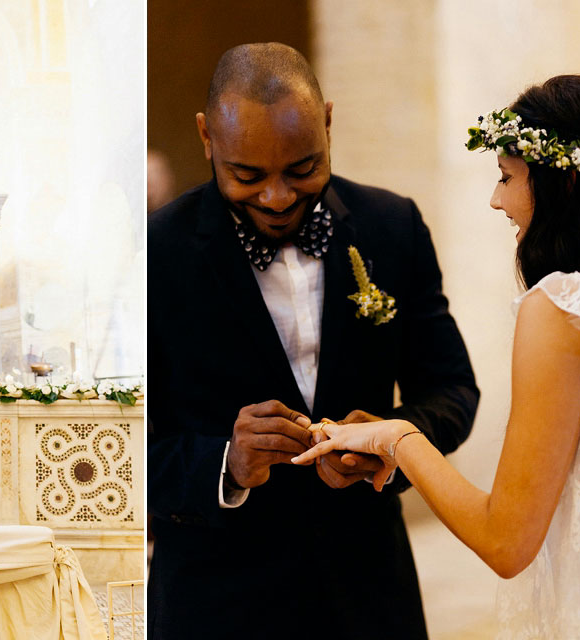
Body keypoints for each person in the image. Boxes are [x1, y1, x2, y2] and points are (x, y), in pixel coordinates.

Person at [147, 42, 479, 638]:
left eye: (302, 169)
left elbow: (453, 390)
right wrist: (224, 462)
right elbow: (119, 450)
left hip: (370, 594)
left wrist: (394, 444)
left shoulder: (392, 225)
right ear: (206, 138)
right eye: (247, 176)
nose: (277, 198)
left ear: (327, 121)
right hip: (216, 603)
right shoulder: (154, 253)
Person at [294, 74, 580, 638]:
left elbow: (507, 541)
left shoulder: (564, 307)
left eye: (506, 177)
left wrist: (398, 437)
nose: (496, 199)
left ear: (564, 182)